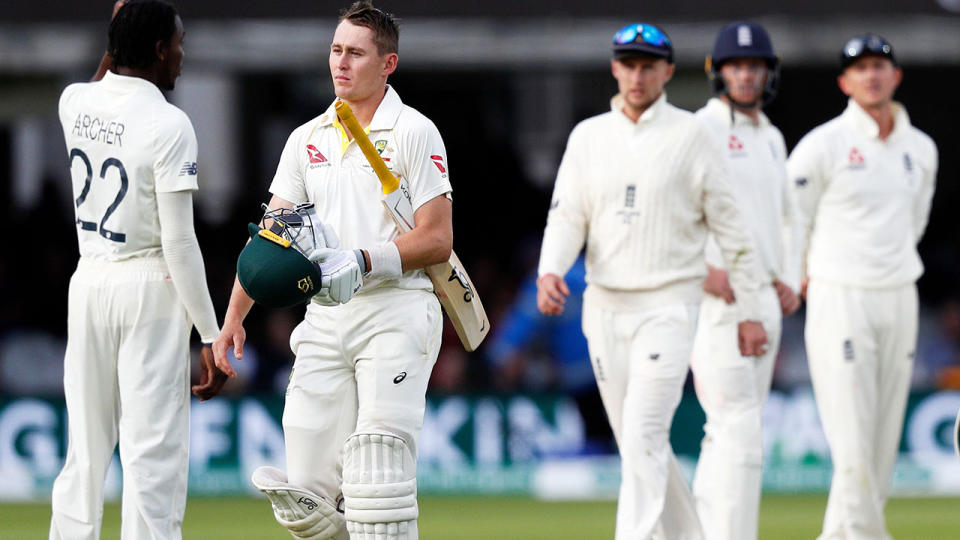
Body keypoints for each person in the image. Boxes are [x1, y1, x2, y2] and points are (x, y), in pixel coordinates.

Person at [212, 2, 452, 539]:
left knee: (377, 477)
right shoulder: (307, 138)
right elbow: (272, 236)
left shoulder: (414, 131)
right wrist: (233, 319)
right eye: (336, 50)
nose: (341, 63)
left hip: (396, 311)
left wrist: (366, 259)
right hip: (323, 319)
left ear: (388, 63)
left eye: (356, 54)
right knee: (308, 501)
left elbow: (438, 239)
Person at [536, 22, 771, 540]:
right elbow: (567, 214)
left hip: (669, 305)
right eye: (628, 64)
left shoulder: (692, 134)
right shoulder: (589, 136)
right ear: (615, 68)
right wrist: (550, 270)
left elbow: (732, 230)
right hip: (604, 305)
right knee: (640, 444)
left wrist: (751, 309)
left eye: (648, 65)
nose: (637, 75)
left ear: (667, 70)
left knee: (644, 433)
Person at [50, 1, 227, 538]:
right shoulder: (170, 124)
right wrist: (210, 335)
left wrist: (117, 34)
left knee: (84, 450)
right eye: (177, 43)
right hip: (149, 286)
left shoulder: (72, 101)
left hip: (88, 284)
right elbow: (178, 241)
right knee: (153, 456)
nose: (182, 55)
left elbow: (106, 71)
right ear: (157, 50)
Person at [787, 34, 937, 540]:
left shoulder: (921, 149)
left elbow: (914, 224)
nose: (871, 75)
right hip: (840, 294)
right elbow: (789, 219)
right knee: (851, 444)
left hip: (899, 294)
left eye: (880, 66)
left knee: (879, 444)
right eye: (860, 68)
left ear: (895, 76)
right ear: (844, 82)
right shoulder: (823, 144)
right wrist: (799, 272)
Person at [688, 22, 802, 540]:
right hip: (721, 300)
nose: (747, 75)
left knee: (729, 429)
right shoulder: (700, 130)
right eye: (736, 66)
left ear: (768, 73)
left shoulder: (772, 136)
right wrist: (705, 273)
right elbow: (675, 212)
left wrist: (788, 277)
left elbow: (784, 216)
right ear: (719, 73)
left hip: (764, 296)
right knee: (739, 429)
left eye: (755, 66)